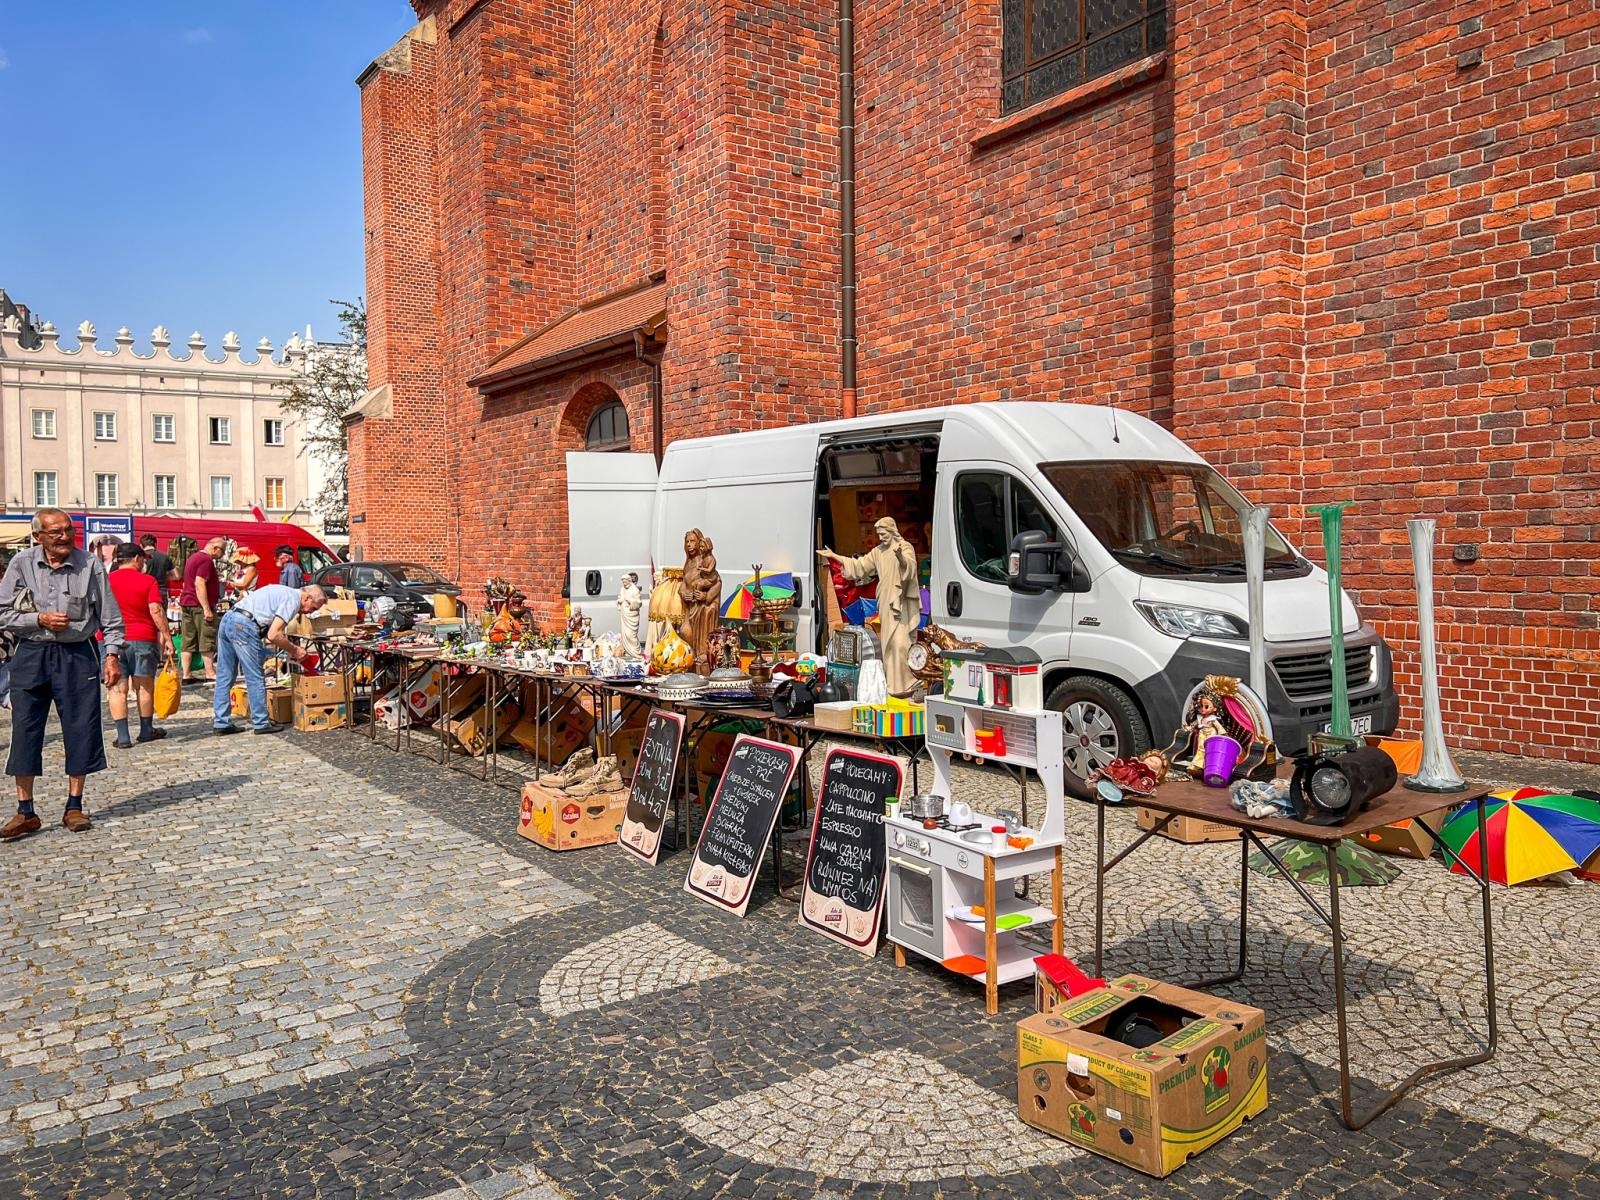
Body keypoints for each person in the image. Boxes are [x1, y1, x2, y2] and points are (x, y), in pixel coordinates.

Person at [0, 507, 124, 840]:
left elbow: (111, 618)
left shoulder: (90, 565)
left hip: (77, 654)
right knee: (25, 729)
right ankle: (25, 811)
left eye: (68, 530)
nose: (64, 537)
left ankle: (74, 806)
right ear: (37, 536)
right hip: (31, 653)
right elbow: (2, 612)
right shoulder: (21, 564)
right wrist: (37, 620)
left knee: (80, 726)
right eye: (55, 532)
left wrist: (112, 656)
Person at [819, 517, 921, 697]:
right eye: (879, 535)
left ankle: (907, 684)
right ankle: (892, 686)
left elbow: (910, 570)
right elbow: (859, 566)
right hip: (885, 599)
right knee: (888, 644)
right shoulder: (878, 552)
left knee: (901, 643)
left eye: (884, 534)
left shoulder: (905, 548)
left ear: (892, 531)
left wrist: (900, 558)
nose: (881, 538)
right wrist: (835, 556)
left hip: (901, 601)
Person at [213, 584, 329, 735]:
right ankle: (261, 722)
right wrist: (295, 650)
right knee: (254, 676)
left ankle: (221, 722)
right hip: (244, 625)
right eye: (312, 608)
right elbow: (274, 634)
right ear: (307, 597)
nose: (308, 613)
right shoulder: (293, 599)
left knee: (225, 674)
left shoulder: (285, 591)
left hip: (229, 618)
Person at [106, 542, 175, 747]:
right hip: (142, 637)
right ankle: (146, 730)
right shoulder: (148, 581)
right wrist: (167, 637)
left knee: (116, 688)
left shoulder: (106, 580)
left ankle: (123, 736)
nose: (144, 562)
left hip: (111, 640)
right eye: (143, 559)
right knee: (144, 686)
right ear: (137, 559)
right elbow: (156, 610)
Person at [179, 536, 224, 683]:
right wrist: (206, 608)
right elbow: (200, 583)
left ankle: (186, 674)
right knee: (206, 638)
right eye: (222, 551)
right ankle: (210, 673)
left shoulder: (193, 557)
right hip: (198, 605)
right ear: (215, 548)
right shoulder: (206, 560)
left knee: (188, 639)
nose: (222, 555)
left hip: (187, 602)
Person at [677, 529, 720, 672]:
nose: (689, 545)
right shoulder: (688, 563)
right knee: (685, 631)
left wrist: (706, 597)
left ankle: (701, 657)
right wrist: (684, 593)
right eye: (687, 542)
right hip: (691, 606)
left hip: (703, 606)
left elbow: (717, 581)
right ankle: (691, 658)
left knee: (694, 631)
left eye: (692, 541)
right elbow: (684, 583)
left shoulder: (706, 560)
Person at [139, 533, 178, 604]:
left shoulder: (139, 558)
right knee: (161, 614)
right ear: (155, 544)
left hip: (144, 591)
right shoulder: (165, 557)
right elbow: (176, 576)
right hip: (161, 591)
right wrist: (162, 575)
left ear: (141, 546)